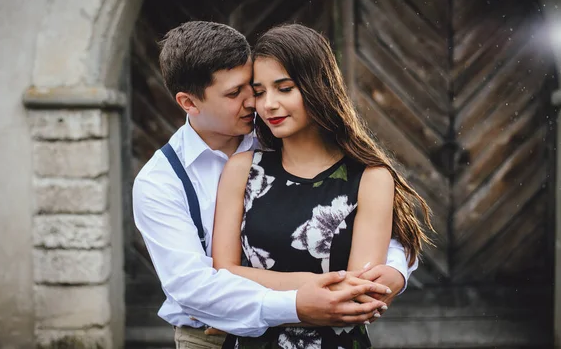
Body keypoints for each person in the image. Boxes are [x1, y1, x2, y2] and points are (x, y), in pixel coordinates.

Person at [132, 21, 416, 349]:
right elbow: (196, 286)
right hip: (211, 334)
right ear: (189, 103)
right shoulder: (161, 182)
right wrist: (302, 299)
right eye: (236, 93)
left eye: (250, 88)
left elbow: (388, 232)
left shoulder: (276, 132)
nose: (257, 103)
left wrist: (395, 270)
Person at [211, 24, 433, 348]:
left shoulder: (370, 178)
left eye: (284, 88)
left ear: (317, 87)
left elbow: (357, 299)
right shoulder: (242, 170)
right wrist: (313, 289)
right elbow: (223, 275)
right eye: (259, 92)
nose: (268, 104)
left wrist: (257, 287)